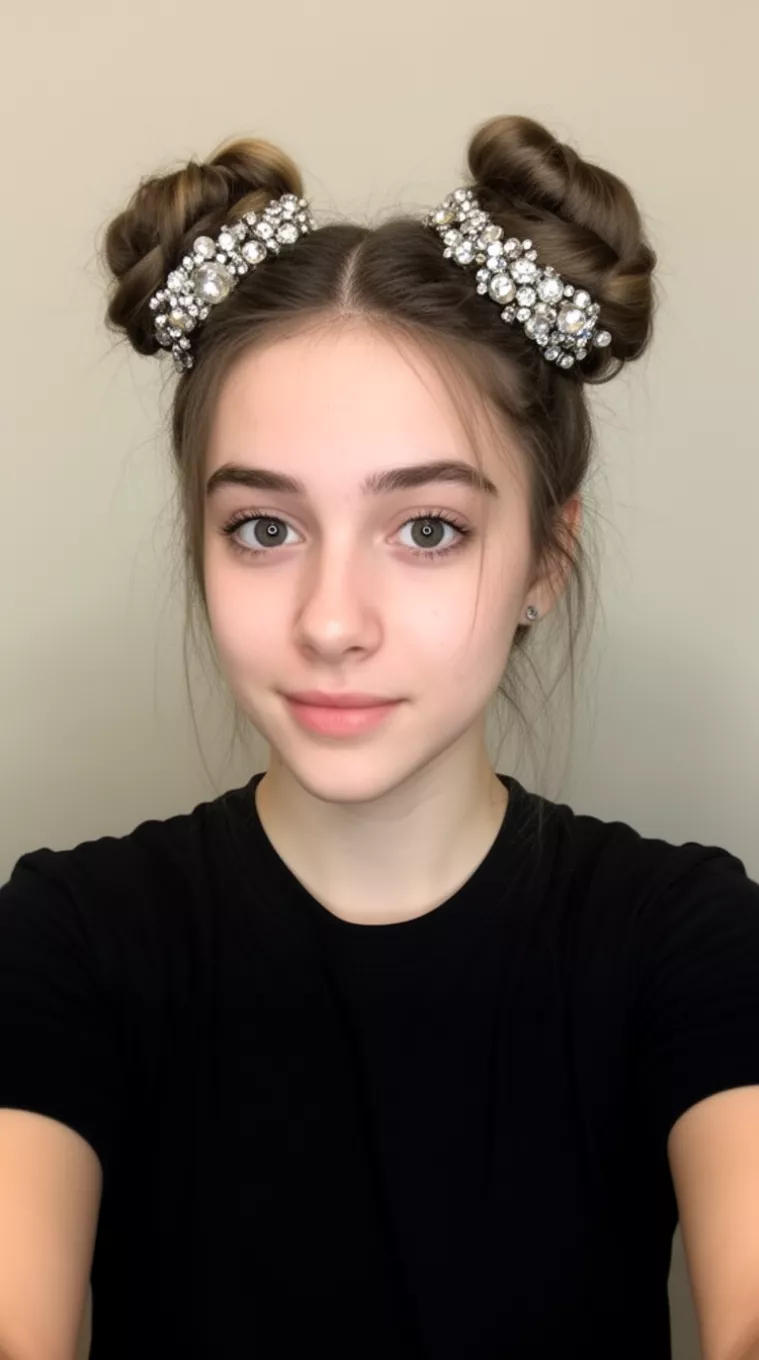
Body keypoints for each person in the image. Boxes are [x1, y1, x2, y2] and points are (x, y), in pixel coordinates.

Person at [1, 113, 758, 1360]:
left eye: (427, 529)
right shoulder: (68, 939)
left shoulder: (686, 935)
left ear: (546, 557)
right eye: (263, 528)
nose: (332, 622)